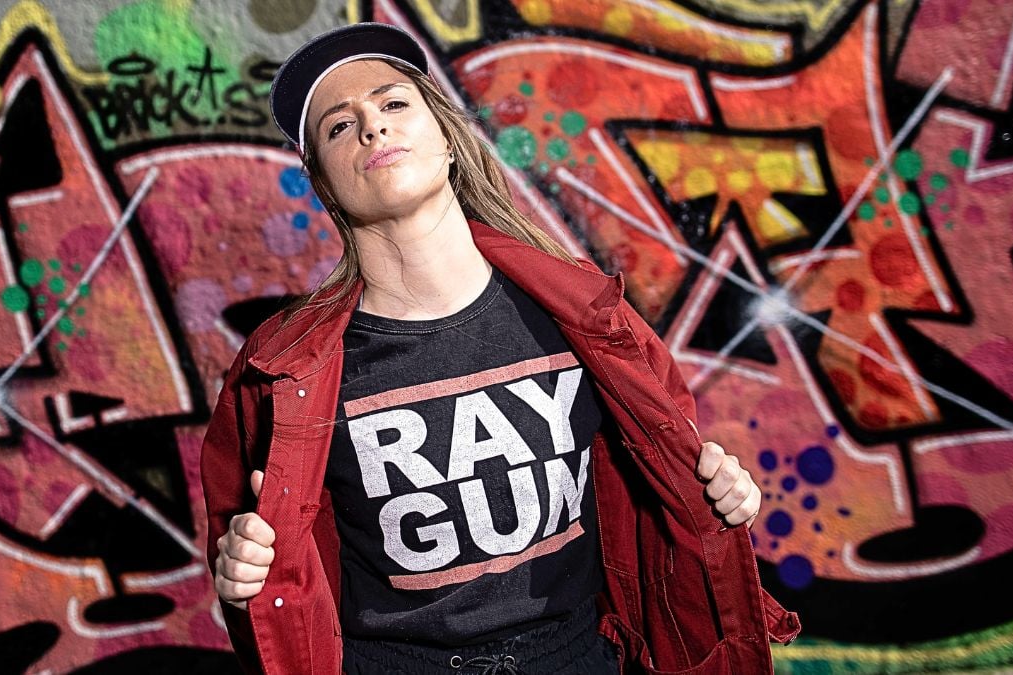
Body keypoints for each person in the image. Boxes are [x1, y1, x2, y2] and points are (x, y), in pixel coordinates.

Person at [201, 22, 799, 675]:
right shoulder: (283, 369)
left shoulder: (587, 315)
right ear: (325, 184)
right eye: (339, 127)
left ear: (448, 139)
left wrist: (722, 495)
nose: (372, 126)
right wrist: (242, 578)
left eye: (393, 103)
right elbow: (265, 580)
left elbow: (674, 473)